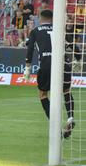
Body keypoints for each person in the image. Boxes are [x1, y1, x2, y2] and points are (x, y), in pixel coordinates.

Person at [24, 10, 77, 139]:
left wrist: (27, 68)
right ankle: (70, 117)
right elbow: (73, 44)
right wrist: (77, 58)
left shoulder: (35, 31)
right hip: (63, 64)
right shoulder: (59, 29)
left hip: (46, 64)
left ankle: (55, 126)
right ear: (52, 19)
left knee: (42, 94)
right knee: (66, 90)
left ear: (40, 19)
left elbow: (30, 50)